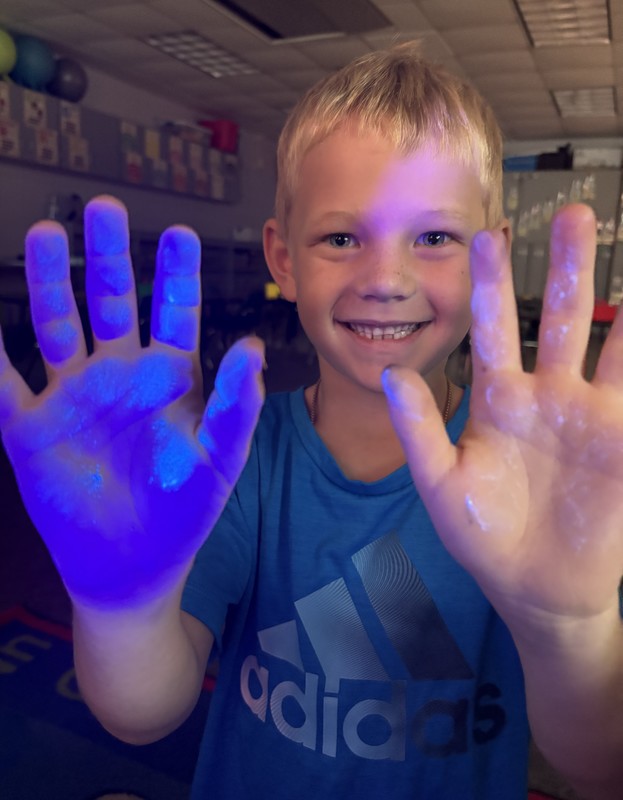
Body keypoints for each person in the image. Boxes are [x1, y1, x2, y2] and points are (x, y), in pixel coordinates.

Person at [1, 44, 622, 800]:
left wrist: (567, 626)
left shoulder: (541, 490)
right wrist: (117, 604)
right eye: (340, 237)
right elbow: (142, 713)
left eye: (433, 237)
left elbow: (596, 764)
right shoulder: (233, 464)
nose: (386, 280)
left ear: (485, 255)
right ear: (283, 258)